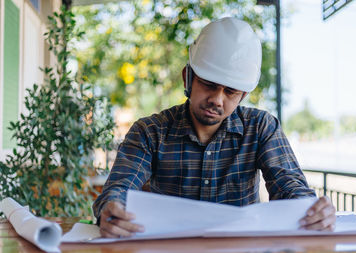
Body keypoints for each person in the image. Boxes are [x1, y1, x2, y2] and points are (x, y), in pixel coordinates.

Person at [93, 17, 336, 238]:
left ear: (243, 95)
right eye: (209, 84)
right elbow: (118, 188)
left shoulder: (261, 128)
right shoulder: (149, 131)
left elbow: (289, 187)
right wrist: (112, 208)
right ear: (187, 77)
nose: (218, 100)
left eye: (230, 91)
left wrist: (311, 210)